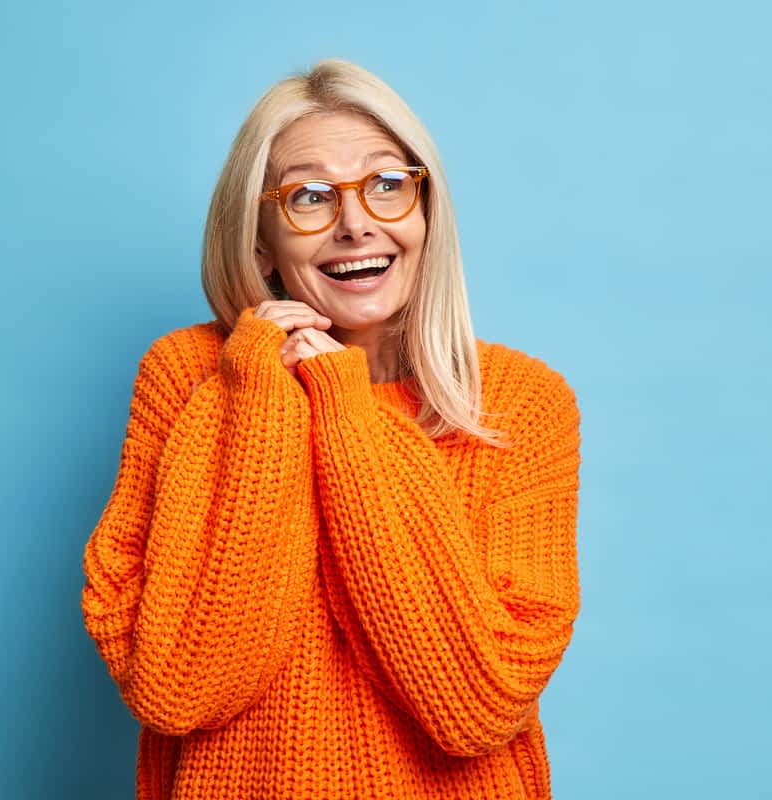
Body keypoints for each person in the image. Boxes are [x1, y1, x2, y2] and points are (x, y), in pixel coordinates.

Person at [81, 58, 582, 800]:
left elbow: (478, 705)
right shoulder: (189, 379)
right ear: (258, 241)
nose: (356, 224)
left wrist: (341, 404)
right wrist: (261, 395)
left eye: (387, 184)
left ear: (425, 213)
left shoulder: (519, 403)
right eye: (310, 197)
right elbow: (179, 688)